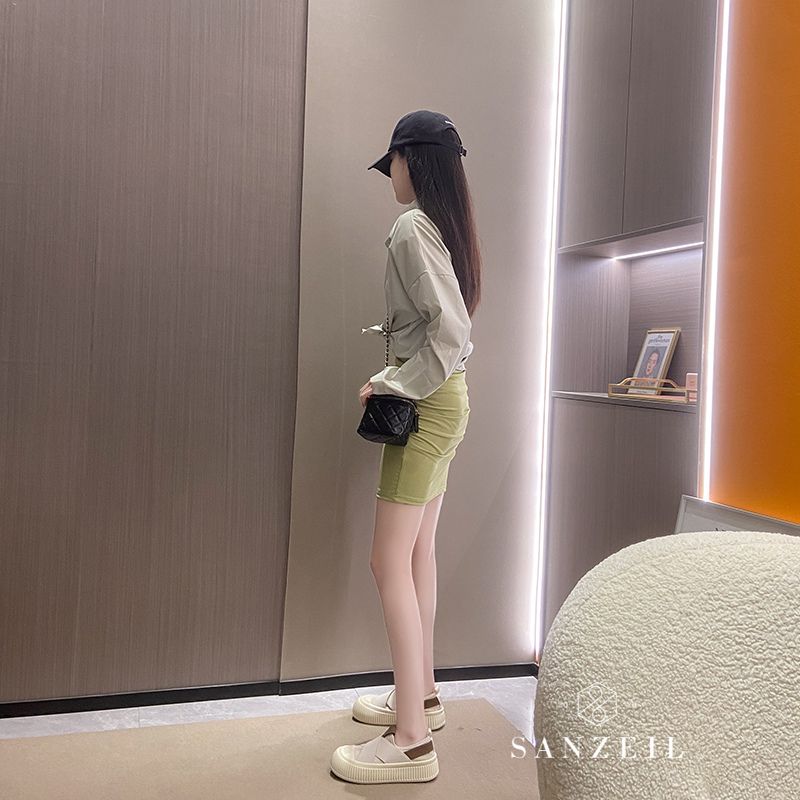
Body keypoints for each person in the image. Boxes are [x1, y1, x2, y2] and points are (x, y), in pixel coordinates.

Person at [330, 110, 482, 785]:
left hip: (427, 406)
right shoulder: (446, 227)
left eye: (390, 161)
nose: (388, 174)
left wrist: (392, 382)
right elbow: (452, 331)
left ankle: (412, 740)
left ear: (410, 160)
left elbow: (449, 332)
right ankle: (420, 695)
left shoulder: (411, 226)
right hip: (448, 403)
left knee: (387, 560)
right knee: (418, 553)